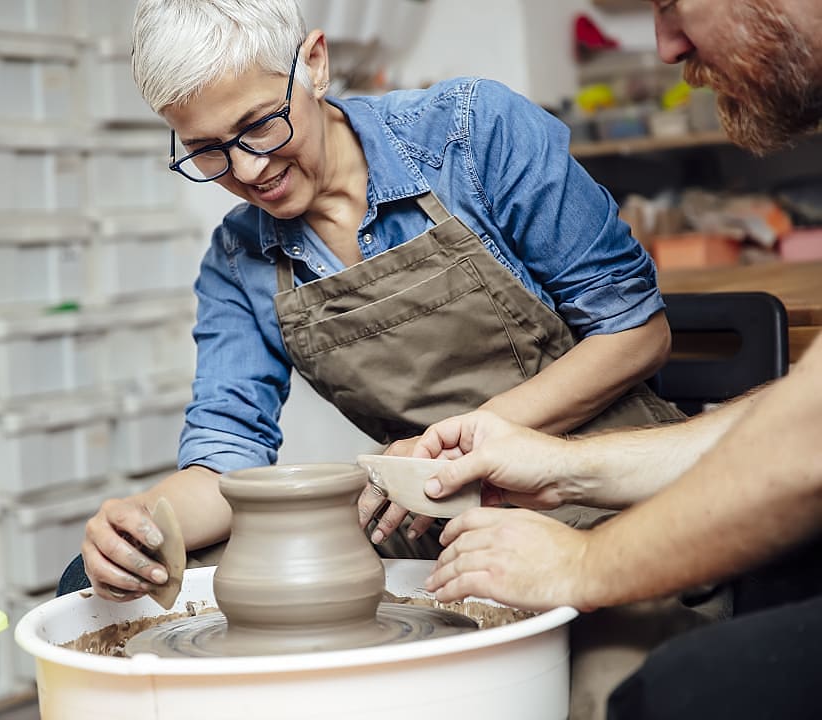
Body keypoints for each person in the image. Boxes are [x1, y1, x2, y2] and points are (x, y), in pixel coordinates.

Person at [67, 0, 683, 601]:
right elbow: (225, 461)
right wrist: (139, 517)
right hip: (428, 521)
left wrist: (449, 445)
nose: (248, 171)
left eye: (258, 126)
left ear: (315, 64)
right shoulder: (239, 258)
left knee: (603, 687)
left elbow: (636, 333)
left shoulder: (471, 136)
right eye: (207, 150)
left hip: (597, 489)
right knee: (124, 579)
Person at [415, 1, 822, 716]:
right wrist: (568, 469)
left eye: (669, 4)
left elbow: (807, 447)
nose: (664, 46)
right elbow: (801, 410)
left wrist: (583, 565)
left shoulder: (482, 125)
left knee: (677, 692)